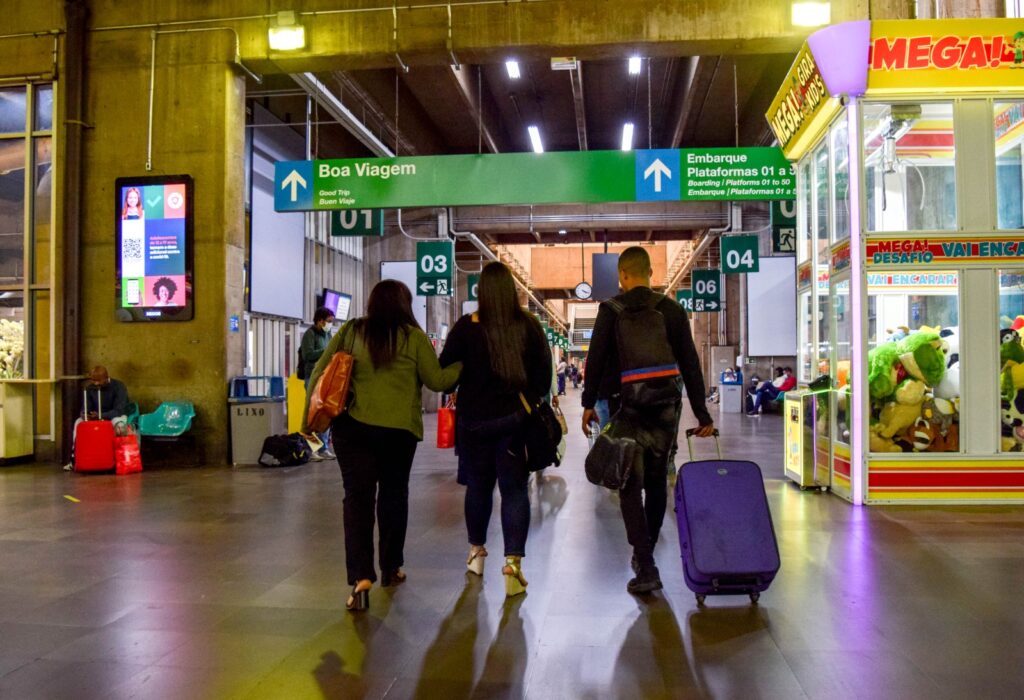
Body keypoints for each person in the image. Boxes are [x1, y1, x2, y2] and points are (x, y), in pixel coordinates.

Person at [302, 280, 461, 612]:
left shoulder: (352, 330)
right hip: (398, 434)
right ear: (405, 305)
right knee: (393, 496)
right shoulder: (413, 337)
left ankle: (361, 578)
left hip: (352, 430)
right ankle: (391, 567)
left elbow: (319, 371)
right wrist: (463, 363)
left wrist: (311, 418)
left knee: (357, 500)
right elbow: (438, 381)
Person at [581, 246, 714, 595]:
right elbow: (690, 363)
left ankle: (645, 561)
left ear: (622, 276)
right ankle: (647, 555)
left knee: (628, 482)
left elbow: (595, 359)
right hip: (665, 409)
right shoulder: (671, 309)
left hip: (627, 407)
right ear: (650, 272)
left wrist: (587, 403)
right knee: (655, 483)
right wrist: (702, 412)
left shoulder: (611, 310)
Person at [440, 262, 551, 598]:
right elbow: (543, 378)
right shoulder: (529, 326)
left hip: (473, 423)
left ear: (482, 292)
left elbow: (446, 372)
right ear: (511, 291)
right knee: (514, 490)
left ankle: (476, 553)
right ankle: (513, 565)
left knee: (478, 487)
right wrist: (527, 402)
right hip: (515, 423)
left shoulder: (465, 327)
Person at [63, 366, 131, 470]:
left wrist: (101, 415)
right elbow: (86, 406)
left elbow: (119, 410)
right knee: (78, 423)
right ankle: (74, 460)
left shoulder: (118, 386)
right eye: (93, 380)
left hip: (114, 416)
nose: (96, 383)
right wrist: (85, 414)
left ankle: (122, 460)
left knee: (120, 425)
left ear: (106, 377)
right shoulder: (90, 389)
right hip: (96, 416)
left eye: (99, 380)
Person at [301, 307, 336, 460]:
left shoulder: (328, 334)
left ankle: (323, 448)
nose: (330, 324)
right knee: (311, 414)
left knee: (323, 413)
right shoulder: (310, 334)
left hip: (325, 377)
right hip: (312, 377)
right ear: (320, 320)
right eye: (328, 321)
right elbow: (307, 355)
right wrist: (326, 351)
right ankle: (311, 448)